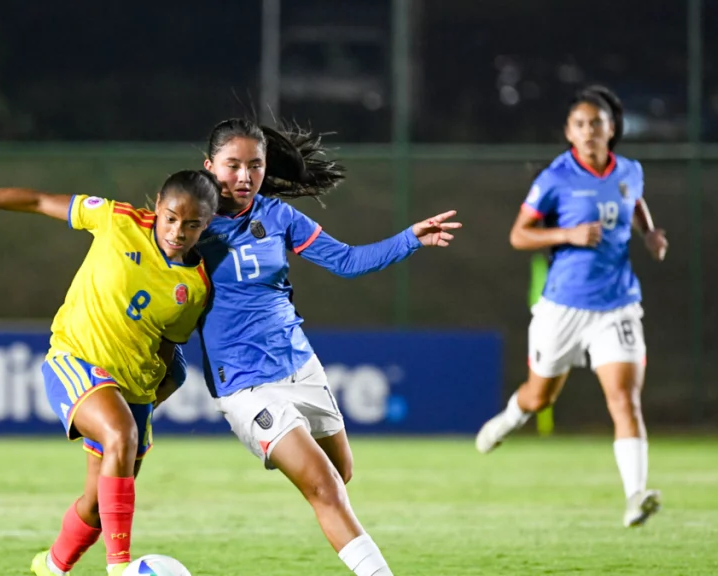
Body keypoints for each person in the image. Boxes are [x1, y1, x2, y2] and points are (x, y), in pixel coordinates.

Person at [166, 118, 461, 576]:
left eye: (255, 166)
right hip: (245, 386)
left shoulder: (278, 216)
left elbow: (346, 261)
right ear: (209, 166)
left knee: (339, 475)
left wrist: (409, 239)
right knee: (324, 486)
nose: (244, 176)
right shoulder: (187, 227)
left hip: (301, 367)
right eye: (232, 165)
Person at [0, 170, 219, 576]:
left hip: (134, 391)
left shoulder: (195, 285)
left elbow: (167, 349)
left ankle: (51, 567)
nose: (178, 231)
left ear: (207, 224)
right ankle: (120, 568)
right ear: (157, 205)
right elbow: (37, 201)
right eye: (171, 217)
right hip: (76, 361)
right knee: (119, 434)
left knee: (97, 506)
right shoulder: (116, 219)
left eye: (192, 224)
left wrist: (153, 397)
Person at [474, 85, 669, 528]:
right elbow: (518, 235)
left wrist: (650, 234)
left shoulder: (630, 171)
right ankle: (508, 419)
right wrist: (568, 235)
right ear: (569, 132)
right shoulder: (555, 179)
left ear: (611, 129)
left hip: (617, 305)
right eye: (580, 125)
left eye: (596, 124)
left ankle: (635, 496)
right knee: (539, 397)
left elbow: (634, 201)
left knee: (624, 400)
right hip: (562, 308)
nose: (588, 132)